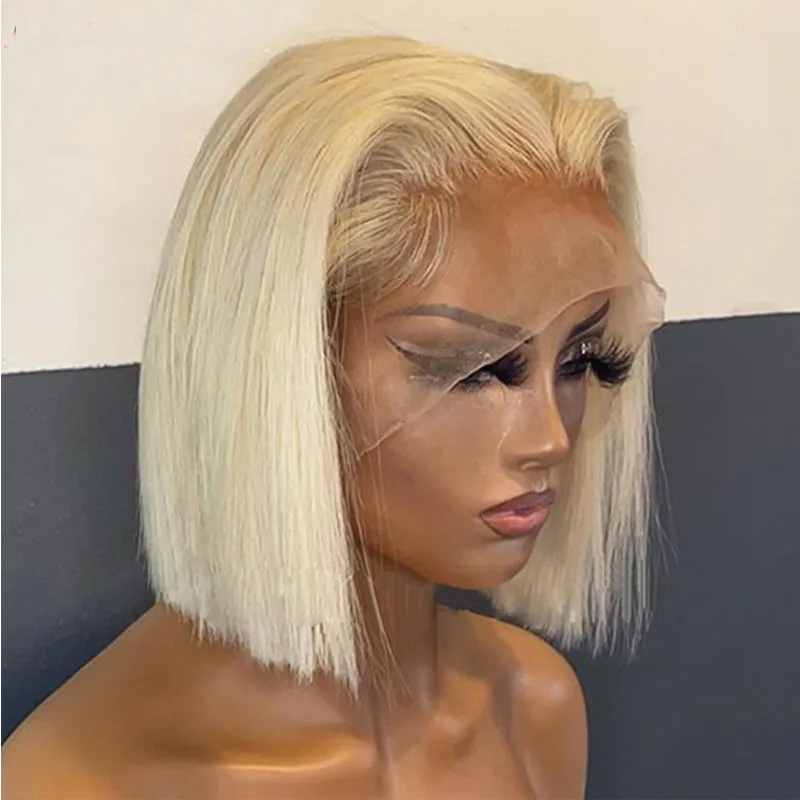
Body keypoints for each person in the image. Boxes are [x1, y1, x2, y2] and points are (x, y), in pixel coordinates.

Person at [3, 35, 664, 799]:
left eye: (581, 359)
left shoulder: (534, 709)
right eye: (475, 369)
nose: (551, 438)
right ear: (281, 363)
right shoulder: (78, 784)